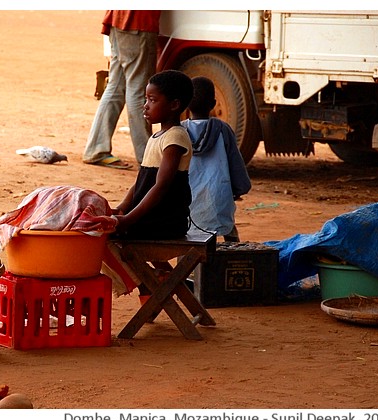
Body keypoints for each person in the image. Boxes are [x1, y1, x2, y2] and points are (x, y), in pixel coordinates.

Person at [101, 69, 194, 298]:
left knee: (101, 237)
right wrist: (123, 207)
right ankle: (159, 283)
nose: (145, 105)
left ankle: (148, 285)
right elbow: (143, 180)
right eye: (145, 99)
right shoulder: (157, 137)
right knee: (106, 229)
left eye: (152, 100)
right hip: (151, 218)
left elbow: (161, 186)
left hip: (165, 221)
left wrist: (128, 220)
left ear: (174, 105)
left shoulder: (175, 138)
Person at [82, 10, 160, 169]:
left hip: (119, 20)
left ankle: (96, 149)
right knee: (137, 91)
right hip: (138, 23)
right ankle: (146, 157)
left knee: (116, 87)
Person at [181, 76, 251, 242]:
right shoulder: (223, 130)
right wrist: (239, 189)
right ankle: (232, 262)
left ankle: (187, 267)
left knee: (188, 238)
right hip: (219, 201)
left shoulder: (179, 131)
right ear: (213, 104)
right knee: (229, 232)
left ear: (186, 104)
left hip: (187, 205)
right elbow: (236, 166)